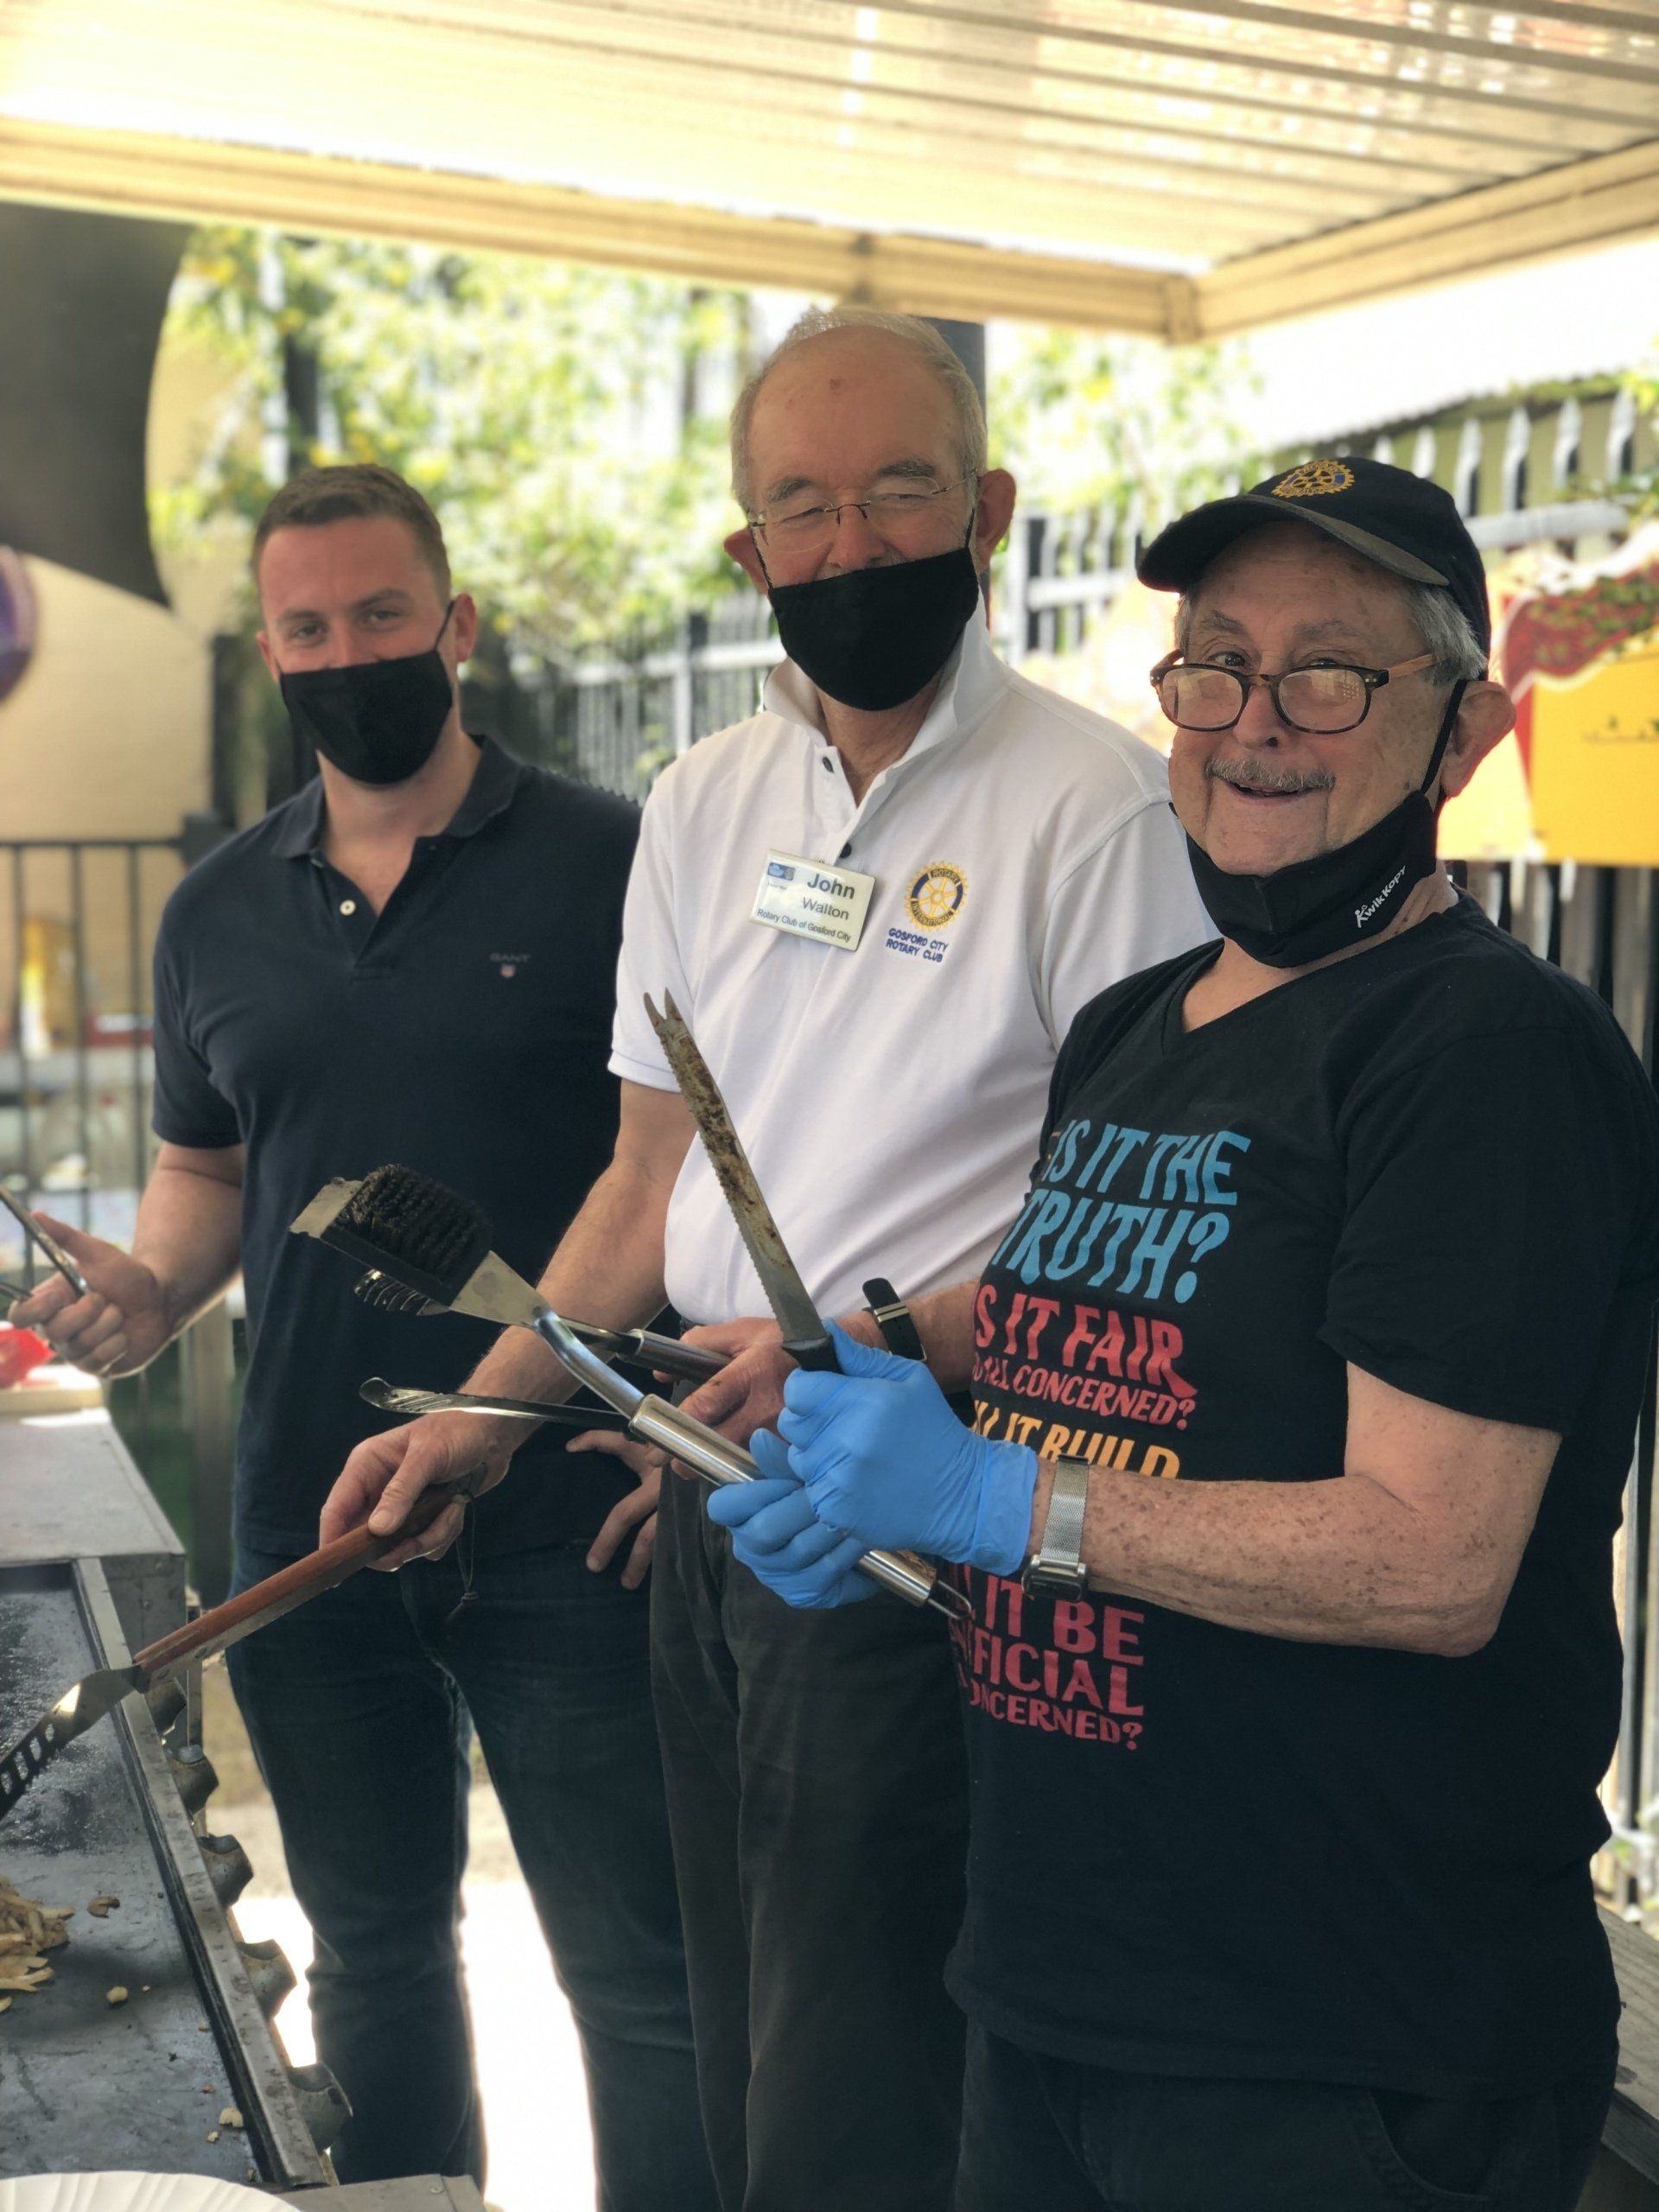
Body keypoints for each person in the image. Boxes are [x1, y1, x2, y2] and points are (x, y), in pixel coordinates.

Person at [322, 307, 1211, 2212]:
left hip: (909, 1521)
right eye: (800, 508)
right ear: (745, 552)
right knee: (736, 2023)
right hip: (716, 1499)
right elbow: (652, 1177)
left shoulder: (1099, 803)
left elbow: (1121, 1227)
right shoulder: (706, 801)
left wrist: (868, 1358)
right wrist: (486, 1422)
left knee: (859, 2072)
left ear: (985, 507)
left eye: (899, 492)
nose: (851, 544)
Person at [715, 457, 1659, 2212]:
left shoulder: (1486, 1057)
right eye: (1213, 667)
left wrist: (997, 1499)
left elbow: (1431, 1556)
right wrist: (881, 1357)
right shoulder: (1139, 1022)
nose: (1254, 724)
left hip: (1342, 2044)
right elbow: (1109, 1290)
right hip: (1063, 1987)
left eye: (1328, 672)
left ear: (1459, 731)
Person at [9, 463, 715, 2206]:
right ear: (272, 651)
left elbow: (672, 1172)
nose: (347, 652)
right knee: (377, 1954)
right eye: (309, 627)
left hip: (564, 1518)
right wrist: (150, 1288)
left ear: (455, 623)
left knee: (637, 1975)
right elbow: (207, 1171)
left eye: (380, 614)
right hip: (313, 1526)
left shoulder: (613, 861)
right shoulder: (216, 911)